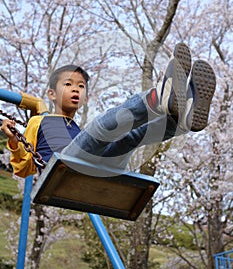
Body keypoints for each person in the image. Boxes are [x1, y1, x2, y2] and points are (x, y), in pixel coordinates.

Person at [1, 43, 216, 178]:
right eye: (68, 84)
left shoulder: (76, 129)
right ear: (51, 94)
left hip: (100, 168)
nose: (76, 89)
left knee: (131, 137)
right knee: (101, 128)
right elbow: (23, 169)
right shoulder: (39, 122)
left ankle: (180, 121)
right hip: (63, 168)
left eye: (81, 86)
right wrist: (13, 141)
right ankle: (159, 98)